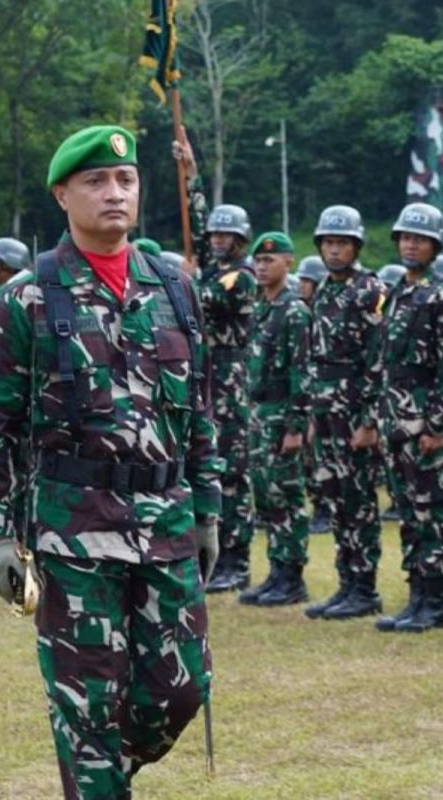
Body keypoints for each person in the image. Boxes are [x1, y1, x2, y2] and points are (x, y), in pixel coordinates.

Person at [0, 124, 220, 799]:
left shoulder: (173, 286)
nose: (115, 193)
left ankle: (104, 769)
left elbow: (197, 413)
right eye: (96, 181)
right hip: (72, 534)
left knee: (180, 692)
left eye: (126, 179)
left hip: (165, 526)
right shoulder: (22, 299)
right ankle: (97, 778)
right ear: (62, 194)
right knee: (86, 707)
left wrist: (209, 512)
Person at [374, 202, 443, 634]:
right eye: (406, 238)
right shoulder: (397, 294)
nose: (411, 245)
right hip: (396, 422)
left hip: (424, 426)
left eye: (420, 239)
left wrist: (438, 426)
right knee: (409, 512)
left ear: (434, 246)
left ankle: (436, 601)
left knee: (432, 511)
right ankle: (416, 595)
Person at [173, 134, 259, 593]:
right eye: (217, 235)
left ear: (242, 241)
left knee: (231, 472)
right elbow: (199, 220)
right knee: (209, 468)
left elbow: (200, 297)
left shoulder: (239, 280)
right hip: (208, 377)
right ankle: (219, 554)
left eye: (229, 235)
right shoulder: (214, 267)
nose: (220, 240)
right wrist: (192, 174)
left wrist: (186, 279)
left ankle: (238, 559)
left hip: (230, 380)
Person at [303, 205, 390, 621]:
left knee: (359, 502)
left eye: (342, 244)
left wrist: (370, 421)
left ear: (356, 246)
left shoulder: (370, 291)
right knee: (335, 500)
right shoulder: (324, 290)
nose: (334, 251)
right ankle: (346, 584)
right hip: (325, 409)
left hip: (354, 409)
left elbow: (377, 360)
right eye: (329, 243)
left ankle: (366, 587)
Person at [238, 232, 313, 607]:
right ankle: (275, 570)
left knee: (287, 495)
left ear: (289, 263)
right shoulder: (261, 307)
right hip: (258, 414)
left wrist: (296, 427)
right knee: (265, 497)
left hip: (282, 414)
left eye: (270, 261)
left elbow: (302, 373)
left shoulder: (294, 310)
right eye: (259, 261)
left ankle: (292, 575)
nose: (263, 267)